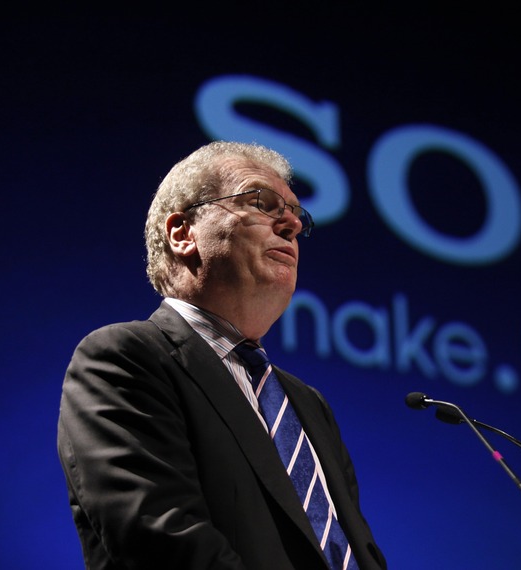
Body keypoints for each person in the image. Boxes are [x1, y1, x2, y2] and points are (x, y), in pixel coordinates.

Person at [57, 141, 388, 569]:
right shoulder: (126, 359)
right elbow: (163, 540)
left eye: (296, 216)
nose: (290, 223)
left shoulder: (308, 405)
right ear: (182, 233)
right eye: (261, 202)